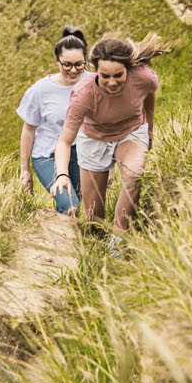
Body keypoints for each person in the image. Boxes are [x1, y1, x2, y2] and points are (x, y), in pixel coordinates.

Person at [49, 34, 170, 236]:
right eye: (105, 76)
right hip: (94, 138)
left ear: (128, 70)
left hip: (130, 132)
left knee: (134, 176)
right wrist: (62, 175)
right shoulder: (83, 94)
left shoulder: (144, 77)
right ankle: (99, 245)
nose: (112, 82)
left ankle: (119, 239)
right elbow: (64, 141)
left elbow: (149, 97)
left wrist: (149, 130)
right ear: (95, 70)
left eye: (118, 75)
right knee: (94, 219)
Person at [16, 26, 92, 214]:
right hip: (46, 155)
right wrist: (25, 171)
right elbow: (28, 130)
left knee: (84, 203)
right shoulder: (40, 91)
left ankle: (74, 240)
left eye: (79, 64)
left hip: (80, 152)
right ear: (57, 61)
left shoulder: (95, 82)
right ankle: (62, 239)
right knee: (69, 206)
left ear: (85, 61)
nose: (73, 70)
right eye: (67, 64)